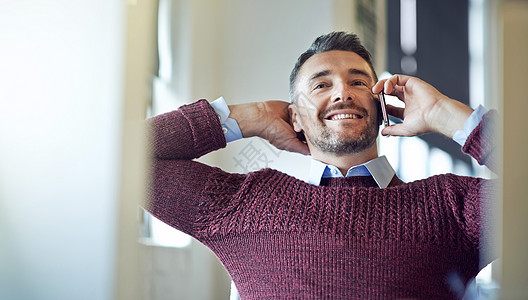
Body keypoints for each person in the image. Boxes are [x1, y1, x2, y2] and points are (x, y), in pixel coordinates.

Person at [147, 32, 496, 299]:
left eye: (359, 82)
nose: (342, 92)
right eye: (321, 85)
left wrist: (446, 116)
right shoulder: (244, 203)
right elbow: (129, 157)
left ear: (382, 107)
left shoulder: (452, 206)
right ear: (295, 116)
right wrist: (251, 117)